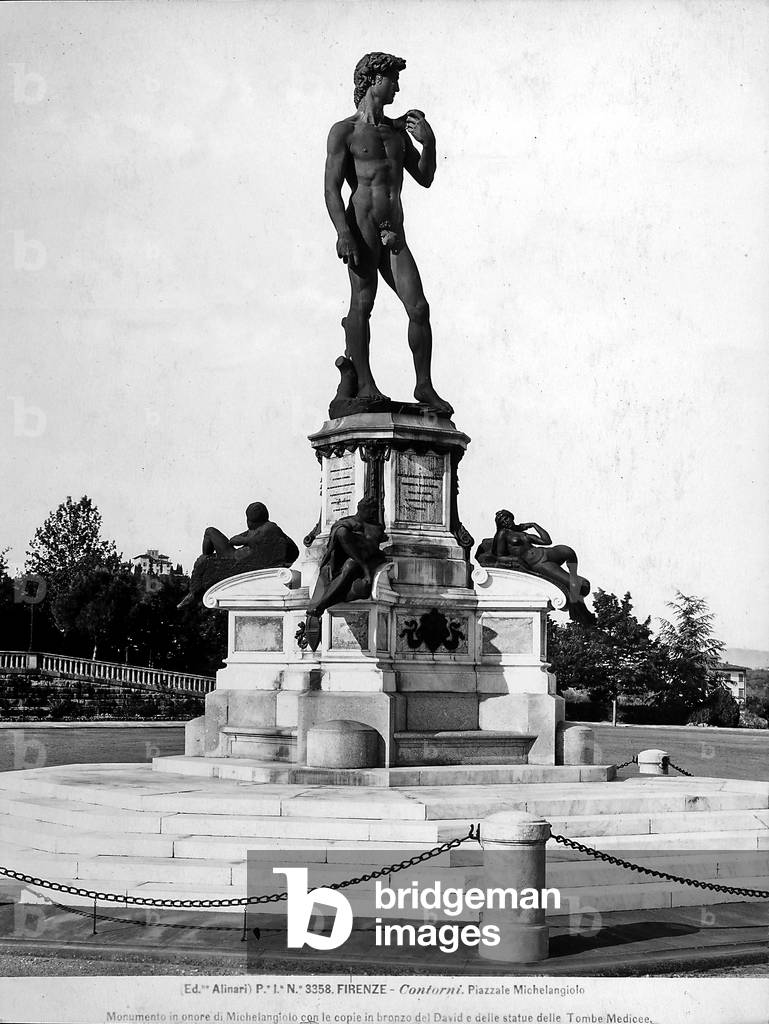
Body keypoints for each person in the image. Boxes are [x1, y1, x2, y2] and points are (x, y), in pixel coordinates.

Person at [324, 52, 453, 415]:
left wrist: (429, 144)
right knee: (363, 305)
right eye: (392, 79)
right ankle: (363, 382)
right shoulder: (345, 131)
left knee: (419, 307)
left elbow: (424, 178)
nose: (396, 87)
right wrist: (342, 232)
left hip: (394, 231)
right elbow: (332, 188)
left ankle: (424, 386)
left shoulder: (397, 132)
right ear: (373, 81)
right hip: (362, 226)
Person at [476, 510, 595, 626]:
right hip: (539, 563)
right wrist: (515, 560)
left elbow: (547, 541)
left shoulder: (521, 534)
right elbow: (499, 556)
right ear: (499, 524)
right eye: (502, 520)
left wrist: (534, 525)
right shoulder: (502, 534)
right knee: (579, 585)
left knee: (567, 551)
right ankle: (581, 612)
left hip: (546, 552)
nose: (506, 521)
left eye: (507, 518)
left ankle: (573, 575)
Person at [177, 502, 298, 608]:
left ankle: (195, 590)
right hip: (241, 557)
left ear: (250, 520)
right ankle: (205, 561)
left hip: (234, 558)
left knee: (209, 532)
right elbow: (234, 539)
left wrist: (247, 539)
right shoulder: (263, 528)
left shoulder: (268, 529)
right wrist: (248, 538)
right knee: (208, 545)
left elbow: (235, 540)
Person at [306, 497, 387, 619]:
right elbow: (340, 533)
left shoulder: (377, 527)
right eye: (371, 510)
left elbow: (375, 545)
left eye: (375, 510)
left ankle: (321, 605)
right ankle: (320, 605)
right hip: (350, 561)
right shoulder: (349, 523)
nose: (374, 513)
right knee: (350, 564)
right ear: (362, 509)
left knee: (351, 565)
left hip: (371, 559)